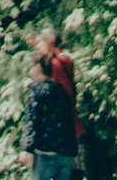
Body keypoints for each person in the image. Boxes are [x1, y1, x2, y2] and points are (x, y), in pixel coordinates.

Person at [23, 27, 81, 175]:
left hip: (55, 141)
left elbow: (34, 118)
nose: (37, 48)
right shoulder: (63, 61)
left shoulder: (55, 67)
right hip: (67, 141)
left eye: (39, 44)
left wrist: (28, 149)